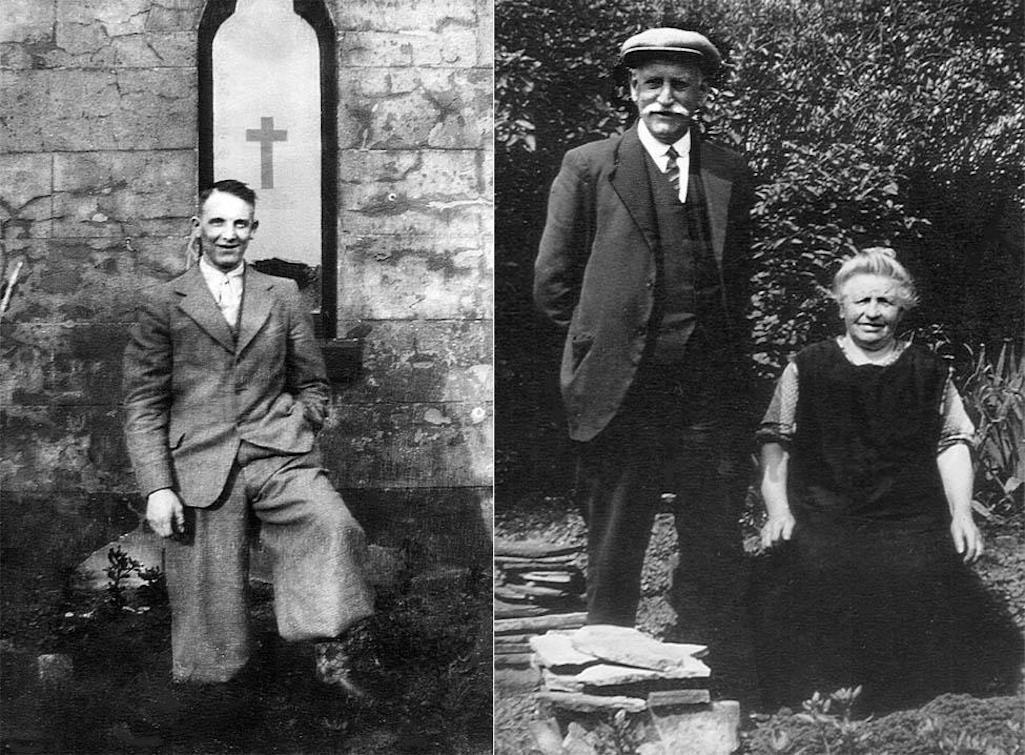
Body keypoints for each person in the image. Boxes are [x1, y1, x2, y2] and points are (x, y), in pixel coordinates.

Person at [533, 26, 755, 688]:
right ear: (631, 92)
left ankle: (704, 671)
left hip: (706, 387)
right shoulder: (588, 164)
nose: (666, 97)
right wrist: (597, 342)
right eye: (651, 83)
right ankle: (604, 672)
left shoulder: (727, 171)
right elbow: (551, 282)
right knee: (616, 529)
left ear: (700, 93)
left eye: (680, 84)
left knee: (711, 527)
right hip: (620, 385)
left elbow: (734, 283)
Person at [122, 179, 374, 693]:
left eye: (240, 223)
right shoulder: (162, 304)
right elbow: (143, 404)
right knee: (209, 600)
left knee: (332, 527)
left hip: (279, 455)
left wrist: (301, 421)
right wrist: (157, 487)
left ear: (253, 231)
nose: (228, 234)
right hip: (200, 463)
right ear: (198, 228)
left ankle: (333, 659)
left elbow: (312, 381)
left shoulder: (281, 295)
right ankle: (214, 699)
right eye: (218, 222)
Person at [752, 247, 1022, 713]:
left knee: (921, 572)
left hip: (906, 517)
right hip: (826, 513)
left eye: (885, 302)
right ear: (841, 306)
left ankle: (911, 702)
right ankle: (815, 700)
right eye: (861, 301)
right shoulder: (808, 365)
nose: (872, 313)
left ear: (902, 308)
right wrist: (777, 511)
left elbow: (953, 443)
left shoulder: (929, 371)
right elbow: (776, 440)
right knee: (812, 570)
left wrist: (962, 515)